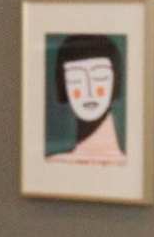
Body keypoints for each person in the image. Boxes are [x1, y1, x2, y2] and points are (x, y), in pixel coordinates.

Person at [47, 36, 127, 167]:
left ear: (115, 82)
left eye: (99, 77)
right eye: (76, 79)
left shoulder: (130, 166)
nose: (89, 92)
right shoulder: (53, 164)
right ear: (63, 87)